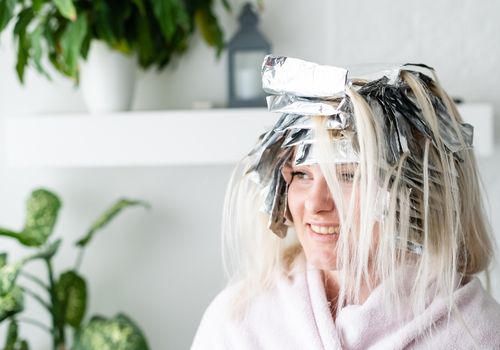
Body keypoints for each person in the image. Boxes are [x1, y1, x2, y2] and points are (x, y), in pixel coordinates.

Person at [192, 56, 500, 349]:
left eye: (349, 175)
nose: (315, 205)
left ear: (415, 191)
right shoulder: (240, 321)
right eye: (301, 174)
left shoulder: (477, 332)